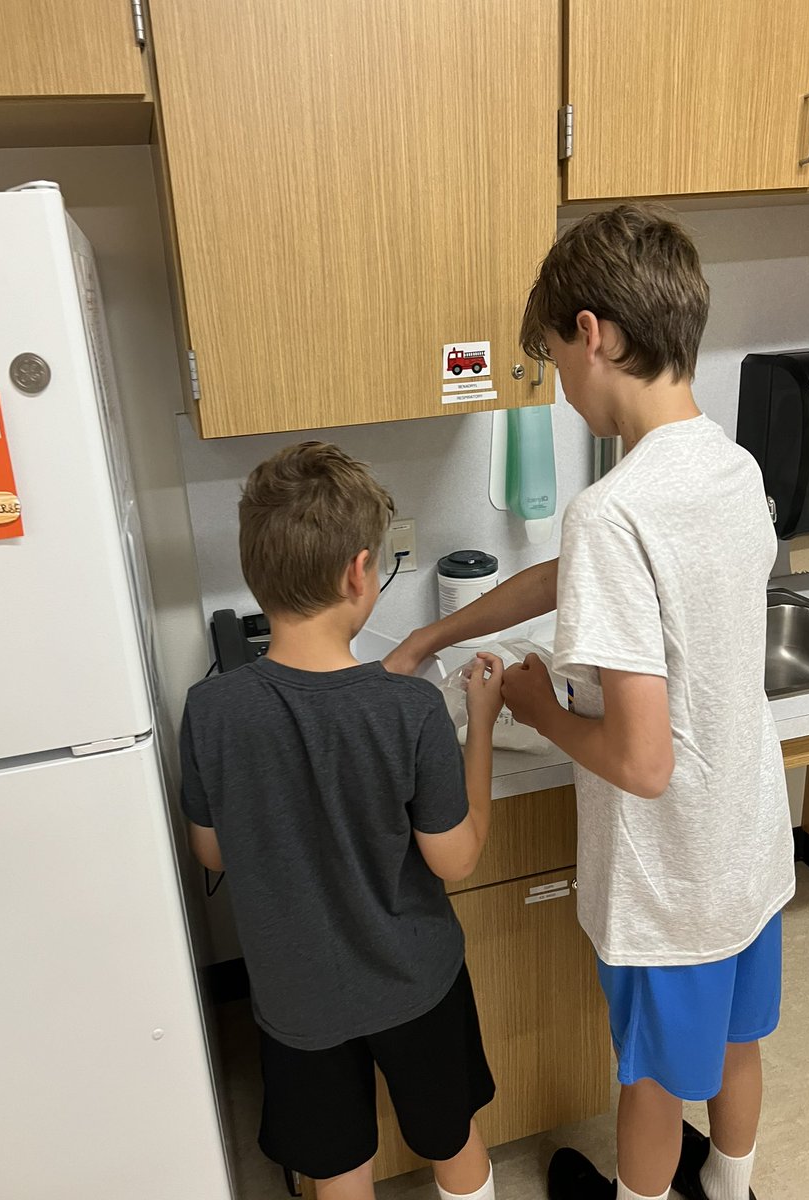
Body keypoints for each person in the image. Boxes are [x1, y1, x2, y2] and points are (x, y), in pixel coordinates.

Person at [386, 205, 794, 1200]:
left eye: (556, 363)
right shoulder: (729, 468)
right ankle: (731, 1191)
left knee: (651, 1081)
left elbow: (643, 763)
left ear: (593, 333)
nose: (563, 392)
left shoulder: (615, 506)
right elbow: (579, 574)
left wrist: (535, 702)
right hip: (748, 848)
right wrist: (439, 631)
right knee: (740, 1043)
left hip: (672, 879)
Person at [179, 441, 506, 1200]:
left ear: (256, 575)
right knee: (451, 1139)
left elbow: (212, 850)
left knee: (335, 1171)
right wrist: (481, 725)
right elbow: (454, 859)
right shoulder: (412, 709)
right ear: (360, 573)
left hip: (296, 1001)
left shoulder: (212, 710)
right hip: (416, 983)